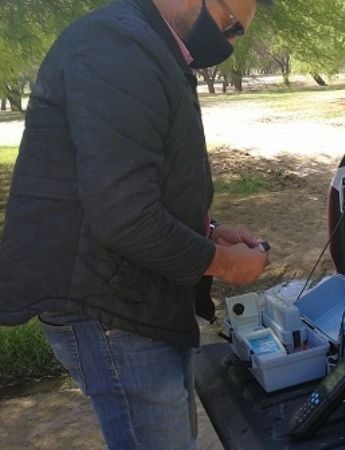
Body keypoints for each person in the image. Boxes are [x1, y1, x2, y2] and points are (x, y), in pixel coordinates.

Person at [0, 0, 270, 448]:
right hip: (111, 308)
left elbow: (139, 181)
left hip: (139, 295)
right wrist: (223, 263)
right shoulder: (116, 45)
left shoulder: (150, 46)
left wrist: (207, 231)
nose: (231, 44)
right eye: (231, 26)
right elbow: (124, 214)